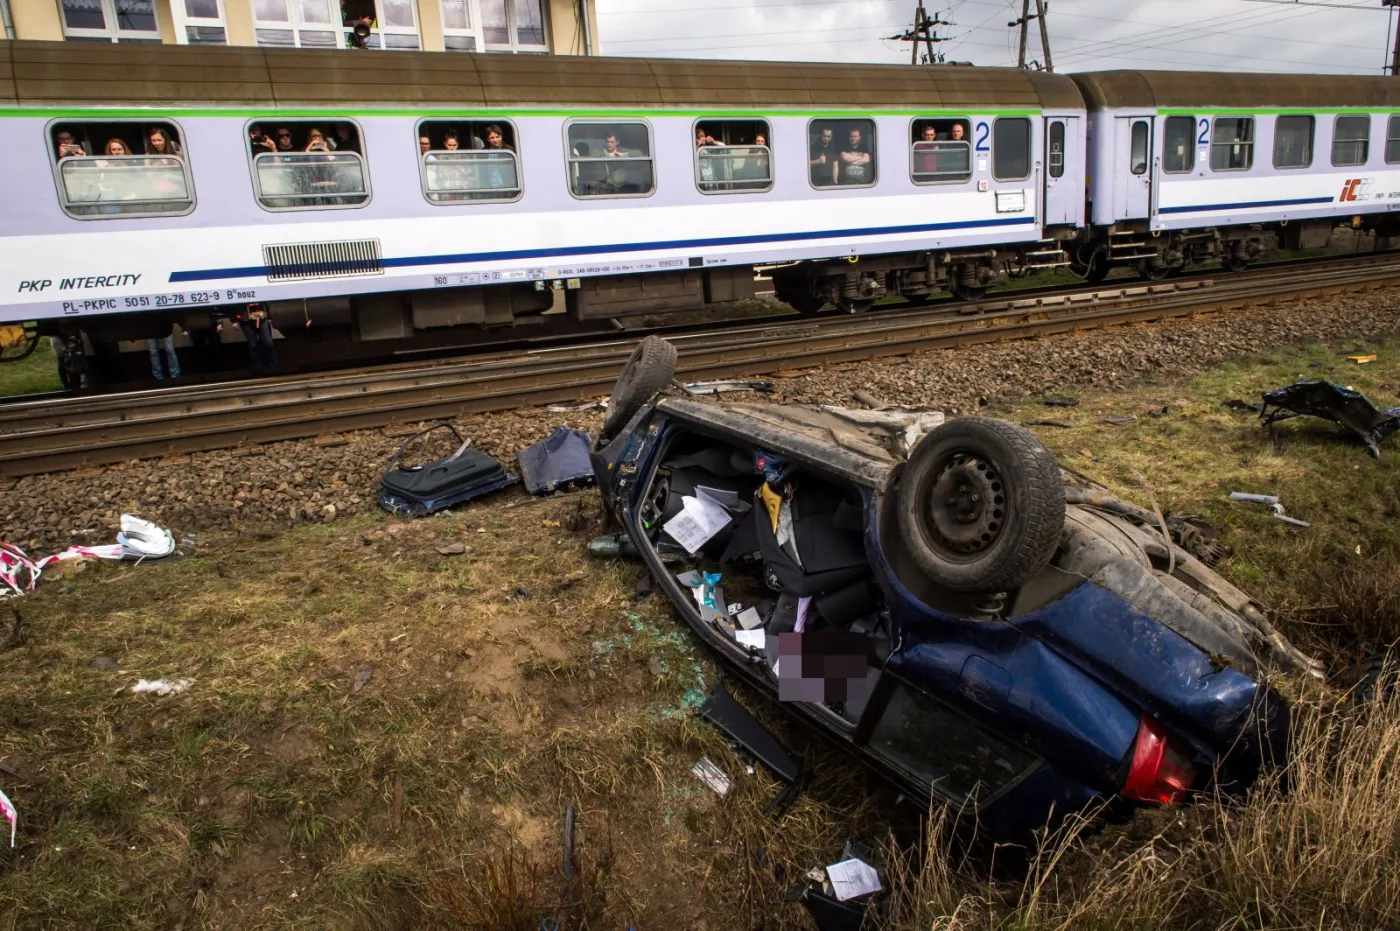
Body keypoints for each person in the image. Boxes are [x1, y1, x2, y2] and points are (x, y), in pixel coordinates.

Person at [237, 302, 277, 375]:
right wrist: (233, 320)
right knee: (253, 345)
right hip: (246, 319)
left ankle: (273, 365)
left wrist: (270, 315)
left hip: (262, 317)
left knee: (268, 343)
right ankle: (257, 368)